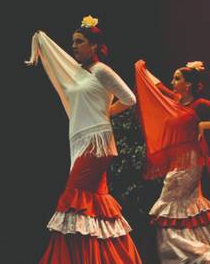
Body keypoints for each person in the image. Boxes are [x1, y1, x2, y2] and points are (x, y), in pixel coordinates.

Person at [25, 15, 142, 263]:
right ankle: (109, 257)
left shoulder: (101, 70)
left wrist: (107, 112)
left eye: (79, 41)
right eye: (73, 42)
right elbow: (59, 65)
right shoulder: (76, 73)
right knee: (94, 204)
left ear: (94, 46)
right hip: (79, 140)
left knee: (74, 198)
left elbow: (129, 98)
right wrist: (43, 43)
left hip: (96, 141)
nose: (74, 46)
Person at [135, 59, 210, 263]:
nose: (172, 82)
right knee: (187, 208)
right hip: (177, 161)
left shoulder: (199, 105)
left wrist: (203, 125)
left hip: (191, 162)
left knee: (168, 206)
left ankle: (196, 254)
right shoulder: (173, 101)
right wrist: (141, 69)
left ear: (188, 84)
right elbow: (157, 87)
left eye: (177, 78)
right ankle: (208, 251)